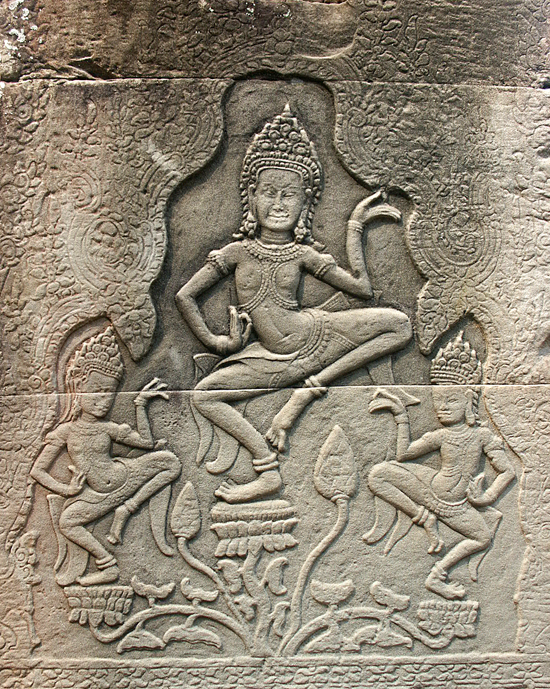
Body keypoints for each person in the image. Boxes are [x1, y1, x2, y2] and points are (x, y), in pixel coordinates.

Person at [176, 105, 411, 504]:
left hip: (317, 338)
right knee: (205, 396)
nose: (279, 203)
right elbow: (185, 296)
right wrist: (218, 343)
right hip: (270, 358)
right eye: (269, 192)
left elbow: (361, 289)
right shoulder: (236, 253)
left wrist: (355, 225)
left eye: (289, 195)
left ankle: (305, 393)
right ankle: (266, 469)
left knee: (399, 325)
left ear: (306, 203)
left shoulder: (302, 254)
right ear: (251, 196)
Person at [365, 333, 515, 600]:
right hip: (428, 489)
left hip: (457, 505)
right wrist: (401, 416)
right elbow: (404, 454)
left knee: (482, 538)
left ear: (468, 399)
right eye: (438, 400)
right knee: (377, 475)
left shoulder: (482, 436)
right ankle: (423, 517)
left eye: (451, 401)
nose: (442, 408)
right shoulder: (441, 435)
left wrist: (486, 497)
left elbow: (507, 471)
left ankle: (437, 575)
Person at [31, 326, 181, 586]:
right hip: (96, 496)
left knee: (171, 463)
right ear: (78, 387)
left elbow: (145, 443)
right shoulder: (66, 432)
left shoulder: (108, 428)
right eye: (97, 391)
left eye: (110, 394)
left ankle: (127, 509)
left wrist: (140, 404)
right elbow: (38, 471)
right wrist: (67, 490)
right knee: (67, 522)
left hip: (125, 477)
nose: (104, 400)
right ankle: (107, 564)